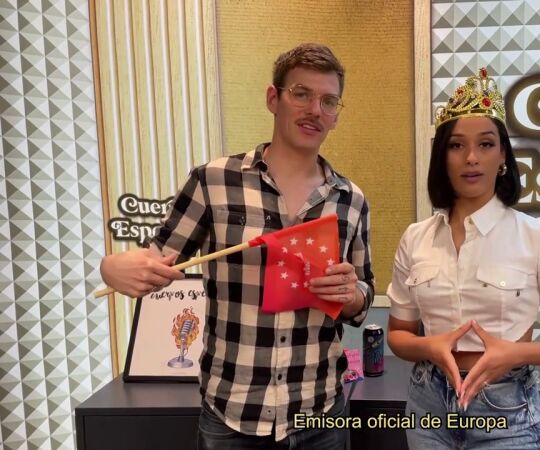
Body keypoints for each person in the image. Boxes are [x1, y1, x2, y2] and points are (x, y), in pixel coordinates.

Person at [100, 43, 374, 449]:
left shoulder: (351, 199)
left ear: (336, 115)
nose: (315, 110)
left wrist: (351, 295)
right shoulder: (213, 180)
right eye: (301, 94)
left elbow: (363, 293)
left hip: (320, 414)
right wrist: (111, 267)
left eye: (328, 101)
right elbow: (158, 258)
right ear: (273, 99)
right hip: (232, 416)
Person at [386, 68, 540, 449]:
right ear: (442, 156)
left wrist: (515, 353)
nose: (471, 158)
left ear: (502, 154)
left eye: (485, 144)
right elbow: (399, 335)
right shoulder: (416, 238)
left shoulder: (538, 237)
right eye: (457, 145)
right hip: (427, 405)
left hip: (507, 411)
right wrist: (430, 347)